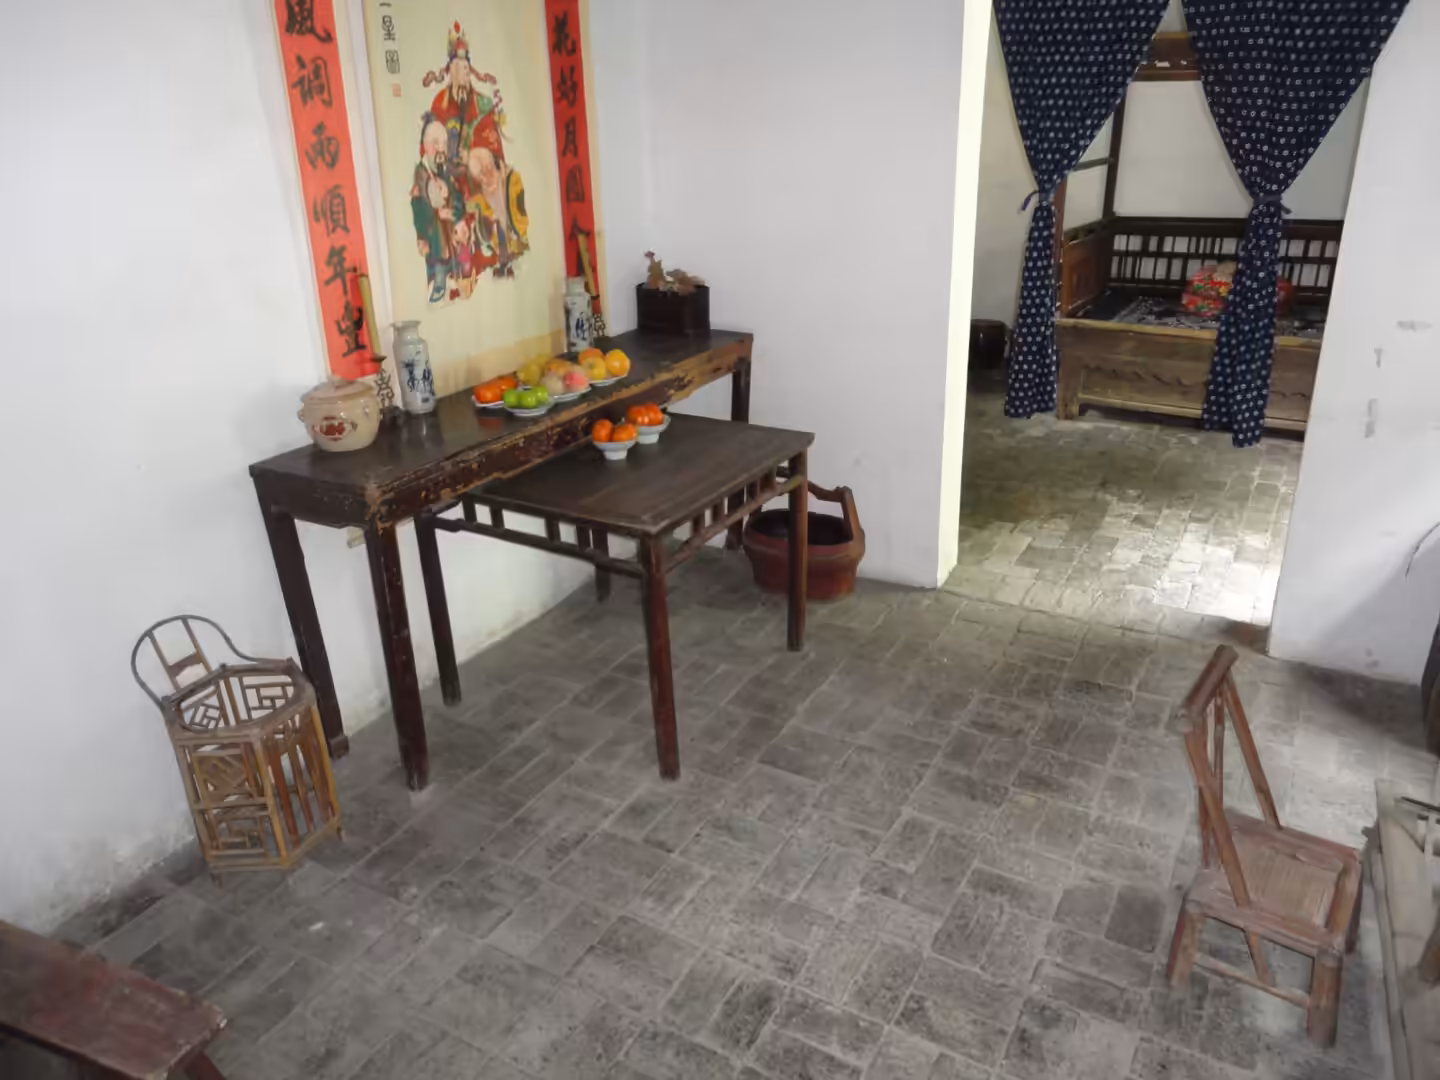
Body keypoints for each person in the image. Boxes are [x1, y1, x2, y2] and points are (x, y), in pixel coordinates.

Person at [464, 118, 528, 276]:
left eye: (488, 168)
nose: (487, 179)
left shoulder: (513, 182)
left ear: (498, 164)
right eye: (480, 176)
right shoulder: (480, 201)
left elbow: (520, 218)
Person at [410, 117, 462, 301]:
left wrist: (450, 196)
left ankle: (451, 279)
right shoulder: (421, 172)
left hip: (448, 227)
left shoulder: (445, 170)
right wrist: (436, 213)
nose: (441, 149)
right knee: (438, 256)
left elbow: (456, 195)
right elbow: (418, 206)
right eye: (435, 143)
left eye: (444, 144)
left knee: (452, 253)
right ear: (425, 146)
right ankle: (438, 284)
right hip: (432, 229)